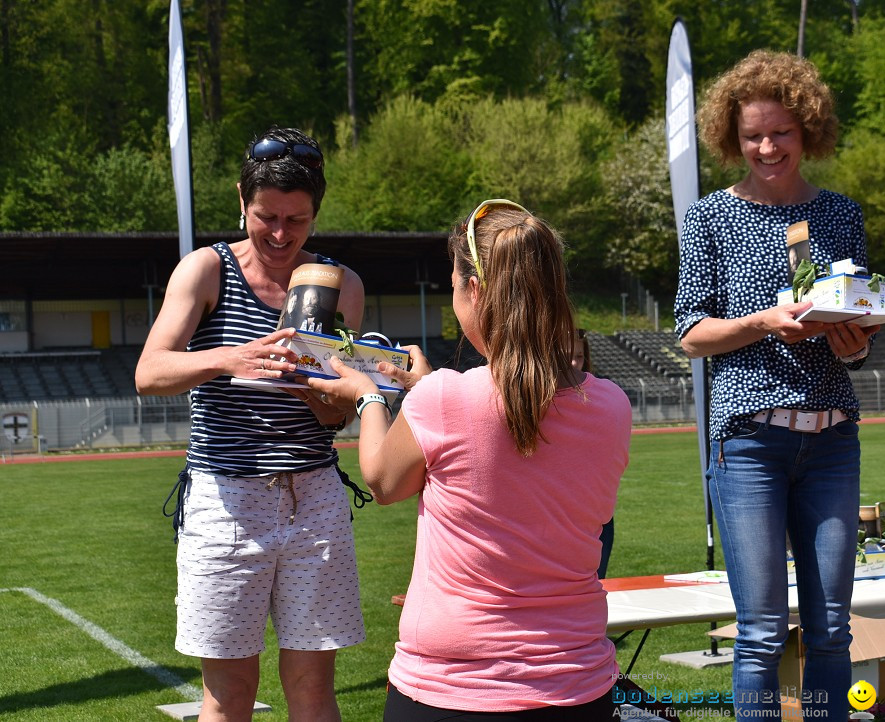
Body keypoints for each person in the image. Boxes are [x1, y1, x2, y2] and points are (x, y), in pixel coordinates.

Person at [306, 199, 631, 721]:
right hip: (577, 685)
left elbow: (384, 481)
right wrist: (430, 391)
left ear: (474, 291)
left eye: (455, 284)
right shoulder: (613, 405)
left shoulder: (443, 399)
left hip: (450, 689)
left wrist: (370, 398)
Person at [134, 126, 366, 722]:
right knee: (228, 693)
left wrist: (318, 390)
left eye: (298, 220)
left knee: (313, 688)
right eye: (267, 217)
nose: (282, 234)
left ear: (317, 212)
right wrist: (228, 359)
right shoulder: (205, 270)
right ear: (242, 200)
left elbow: (336, 417)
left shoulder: (341, 284)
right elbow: (149, 372)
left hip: (314, 496)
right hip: (225, 499)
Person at [673, 50, 879, 721]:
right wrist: (763, 322)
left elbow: (854, 324)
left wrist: (855, 342)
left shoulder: (843, 214)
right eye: (753, 135)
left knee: (831, 633)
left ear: (808, 130)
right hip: (749, 446)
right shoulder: (708, 217)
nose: (766, 147)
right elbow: (691, 334)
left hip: (831, 441)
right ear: (731, 139)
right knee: (761, 634)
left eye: (780, 132)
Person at [571, 328, 616, 579]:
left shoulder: (601, 398)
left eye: (578, 355)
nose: (572, 363)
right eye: (565, 354)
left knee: (593, 586)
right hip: (556, 515)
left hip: (595, 516)